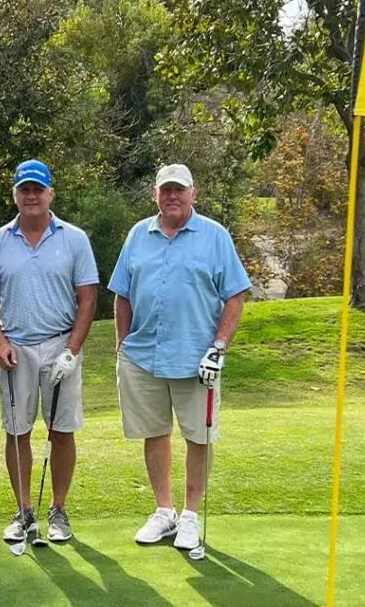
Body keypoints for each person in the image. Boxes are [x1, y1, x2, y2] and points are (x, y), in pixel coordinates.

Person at [107, 163, 251, 553]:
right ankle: (164, 511)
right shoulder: (139, 234)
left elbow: (235, 296)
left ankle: (189, 515)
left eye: (179, 190)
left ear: (193, 194)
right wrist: (122, 346)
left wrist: (219, 347)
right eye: (165, 190)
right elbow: (122, 294)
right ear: (155, 194)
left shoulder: (215, 236)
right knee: (154, 433)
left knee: (198, 436)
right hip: (143, 356)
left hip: (196, 358)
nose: (172, 196)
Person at [0, 159, 98, 544]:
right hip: (16, 347)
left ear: (50, 194)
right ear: (15, 194)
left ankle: (58, 510)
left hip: (61, 344)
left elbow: (88, 298)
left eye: (37, 189)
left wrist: (72, 350)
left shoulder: (74, 238)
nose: (31, 196)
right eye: (24, 189)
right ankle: (24, 511)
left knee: (62, 432)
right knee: (18, 433)